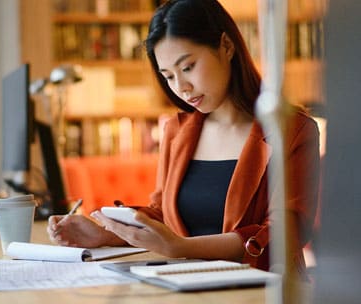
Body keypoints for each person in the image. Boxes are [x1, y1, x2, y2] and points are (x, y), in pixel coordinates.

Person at [47, 0, 320, 278]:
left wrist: (180, 247)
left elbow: (285, 233)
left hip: (262, 289)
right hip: (188, 285)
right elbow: (163, 214)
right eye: (168, 76)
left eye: (188, 67)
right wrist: (107, 233)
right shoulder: (178, 131)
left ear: (226, 46)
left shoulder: (292, 130)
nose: (181, 88)